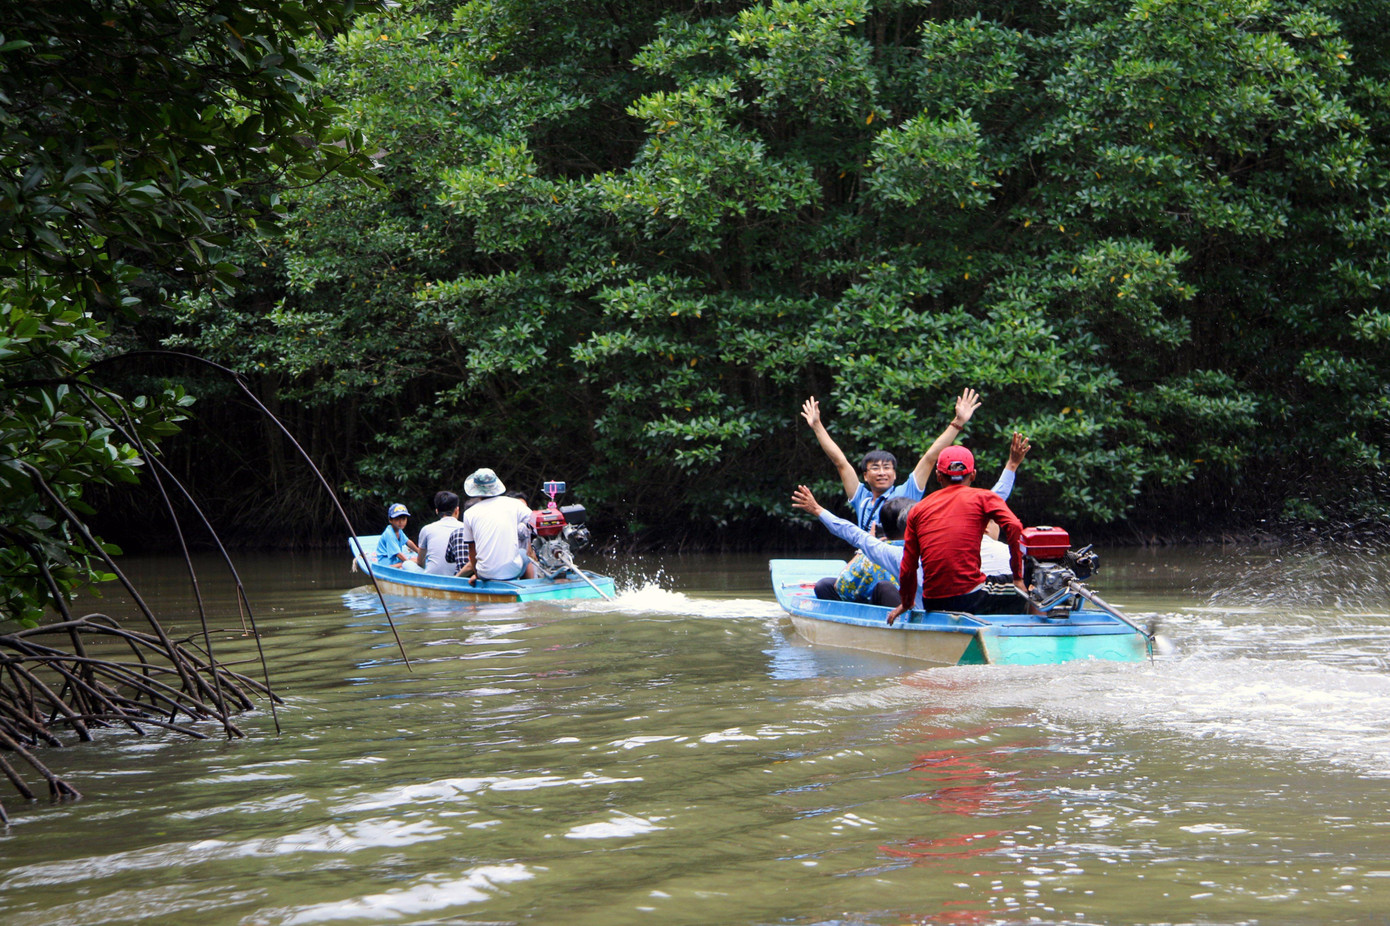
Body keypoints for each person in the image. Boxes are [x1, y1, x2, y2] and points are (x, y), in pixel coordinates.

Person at [801, 388, 980, 533]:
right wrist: (817, 426)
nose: (881, 472)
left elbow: (929, 457)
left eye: (887, 468)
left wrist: (958, 422)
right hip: (865, 561)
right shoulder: (860, 497)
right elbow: (840, 461)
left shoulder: (907, 492)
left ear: (894, 475)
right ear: (865, 476)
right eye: (875, 468)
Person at [886, 445, 1026, 625]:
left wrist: (906, 602)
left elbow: (908, 565)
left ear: (938, 476)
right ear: (973, 475)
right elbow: (1014, 525)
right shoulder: (983, 497)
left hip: (933, 601)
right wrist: (1018, 577)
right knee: (1033, 579)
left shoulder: (917, 510)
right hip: (971, 596)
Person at [791, 486, 920, 609]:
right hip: (912, 605)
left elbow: (841, 585)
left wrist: (817, 510)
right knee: (825, 585)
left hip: (906, 610)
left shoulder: (880, 550)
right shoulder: (929, 547)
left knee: (825, 586)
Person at [448, 468, 537, 581]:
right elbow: (536, 521)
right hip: (512, 571)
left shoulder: (469, 513)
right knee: (524, 554)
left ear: (476, 489)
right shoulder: (514, 504)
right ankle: (527, 586)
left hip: (485, 574)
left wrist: (478, 574)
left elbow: (472, 551)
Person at [414, 490, 464, 575]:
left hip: (432, 578)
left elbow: (420, 562)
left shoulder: (427, 529)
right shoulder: (466, 528)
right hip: (459, 577)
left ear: (437, 511)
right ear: (457, 510)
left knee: (407, 564)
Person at [374, 502, 422, 570]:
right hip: (385, 560)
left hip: (394, 559)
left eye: (403, 519)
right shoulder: (389, 533)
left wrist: (419, 552)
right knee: (413, 562)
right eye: (397, 519)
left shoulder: (399, 530)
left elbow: (408, 542)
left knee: (415, 560)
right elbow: (398, 553)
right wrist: (409, 563)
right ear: (390, 520)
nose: (401, 522)